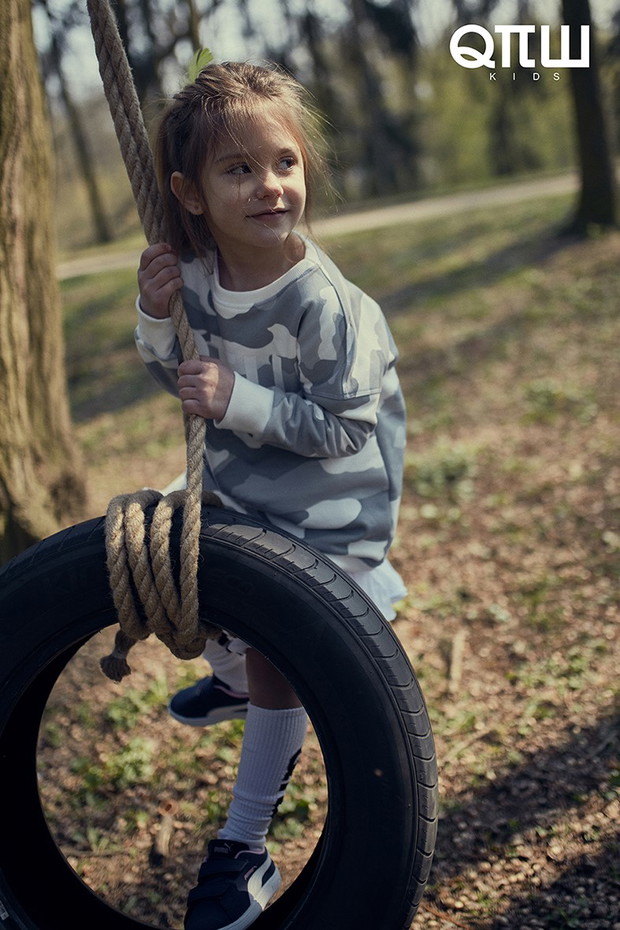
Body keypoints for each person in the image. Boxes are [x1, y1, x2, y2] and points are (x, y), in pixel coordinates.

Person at [135, 60, 407, 930]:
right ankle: (233, 678)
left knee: (275, 656)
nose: (269, 185)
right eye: (238, 169)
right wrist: (156, 315)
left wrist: (239, 401)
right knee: (162, 550)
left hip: (329, 512)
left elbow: (347, 431)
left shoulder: (327, 304)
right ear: (190, 193)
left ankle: (243, 846)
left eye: (283, 162)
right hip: (243, 492)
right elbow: (177, 376)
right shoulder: (198, 276)